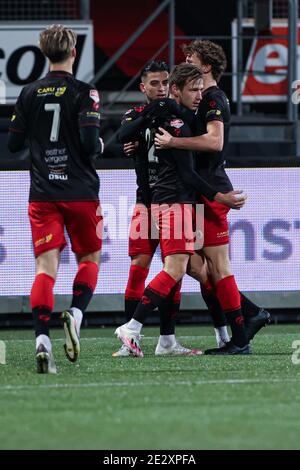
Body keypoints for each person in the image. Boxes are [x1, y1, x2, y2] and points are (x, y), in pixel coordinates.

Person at [115, 63, 246, 357]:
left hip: (166, 201)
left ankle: (173, 339)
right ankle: (132, 328)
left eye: (201, 89)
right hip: (169, 202)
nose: (200, 94)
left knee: (195, 270)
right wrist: (219, 196)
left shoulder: (175, 118)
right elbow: (186, 172)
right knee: (172, 268)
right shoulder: (172, 123)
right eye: (194, 89)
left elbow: (127, 138)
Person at [155, 40, 270, 354]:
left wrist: (173, 144)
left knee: (215, 268)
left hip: (210, 190)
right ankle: (247, 316)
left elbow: (215, 141)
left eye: (192, 58)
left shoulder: (213, 97)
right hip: (200, 190)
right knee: (199, 267)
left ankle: (242, 334)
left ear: (206, 66)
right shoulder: (203, 98)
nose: (187, 61)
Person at [8, 25, 103, 373]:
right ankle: (75, 316)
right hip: (80, 191)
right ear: (73, 51)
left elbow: (14, 145)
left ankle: (42, 341)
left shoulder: (29, 92)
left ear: (44, 53)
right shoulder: (85, 92)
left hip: (43, 193)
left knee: (45, 268)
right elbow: (92, 145)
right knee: (89, 257)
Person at [115, 60, 202, 357]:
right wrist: (136, 135)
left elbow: (190, 119)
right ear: (143, 87)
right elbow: (121, 137)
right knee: (139, 267)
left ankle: (167, 339)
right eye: (154, 83)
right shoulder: (136, 113)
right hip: (146, 201)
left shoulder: (178, 112)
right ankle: (130, 338)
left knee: (173, 269)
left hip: (169, 198)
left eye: (165, 82)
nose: (160, 87)